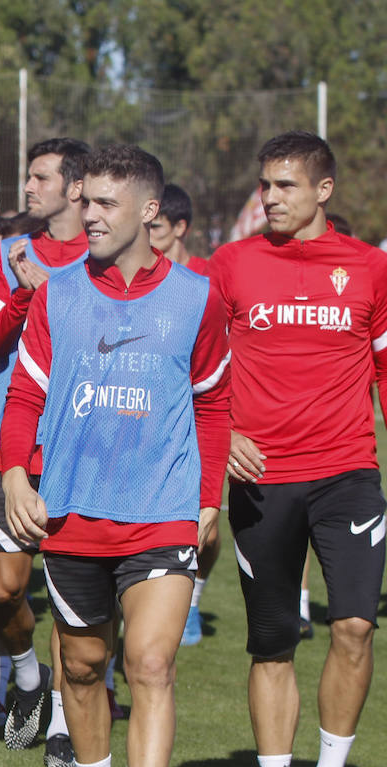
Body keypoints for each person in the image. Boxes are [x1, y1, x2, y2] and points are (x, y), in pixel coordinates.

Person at [2, 143, 230, 767]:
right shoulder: (58, 294)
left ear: (148, 210)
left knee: (152, 663)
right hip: (72, 512)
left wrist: (207, 502)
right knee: (83, 663)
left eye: (104, 202)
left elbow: (214, 403)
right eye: (86, 201)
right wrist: (13, 473)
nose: (88, 214)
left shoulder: (197, 297)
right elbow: (26, 394)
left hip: (162, 509)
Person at [214, 130, 387, 767]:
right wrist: (223, 435)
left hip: (347, 473)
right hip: (261, 479)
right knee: (273, 642)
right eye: (265, 185)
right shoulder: (231, 266)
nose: (269, 198)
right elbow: (200, 362)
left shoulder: (371, 269)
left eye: (285, 186)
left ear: (323, 190)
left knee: (355, 628)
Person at [0, 138, 90, 763]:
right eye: (28, 177)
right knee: (6, 590)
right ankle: (27, 679)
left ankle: (65, 729)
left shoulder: (103, 258)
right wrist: (23, 292)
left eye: (40, 177)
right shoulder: (10, 252)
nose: (28, 188)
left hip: (76, 443)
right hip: (10, 441)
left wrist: (54, 295)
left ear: (75, 187)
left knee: (72, 596)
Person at [148, 182, 214, 645]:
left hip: (203, 411)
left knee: (206, 525)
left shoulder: (210, 279)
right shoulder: (144, 276)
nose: (147, 236)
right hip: (155, 415)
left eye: (157, 228)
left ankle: (193, 598)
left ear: (180, 228)